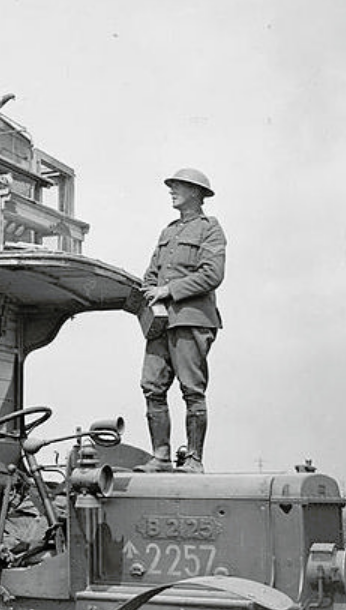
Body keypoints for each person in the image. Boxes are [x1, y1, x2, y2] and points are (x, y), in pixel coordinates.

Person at [135, 168, 226, 474]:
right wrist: (149, 288)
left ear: (197, 193)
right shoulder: (168, 232)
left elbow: (212, 274)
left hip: (192, 320)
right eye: (171, 186)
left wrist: (168, 291)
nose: (171, 191)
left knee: (192, 390)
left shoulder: (210, 229)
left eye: (178, 187)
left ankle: (194, 459)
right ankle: (160, 456)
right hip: (160, 323)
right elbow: (151, 273)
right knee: (152, 386)